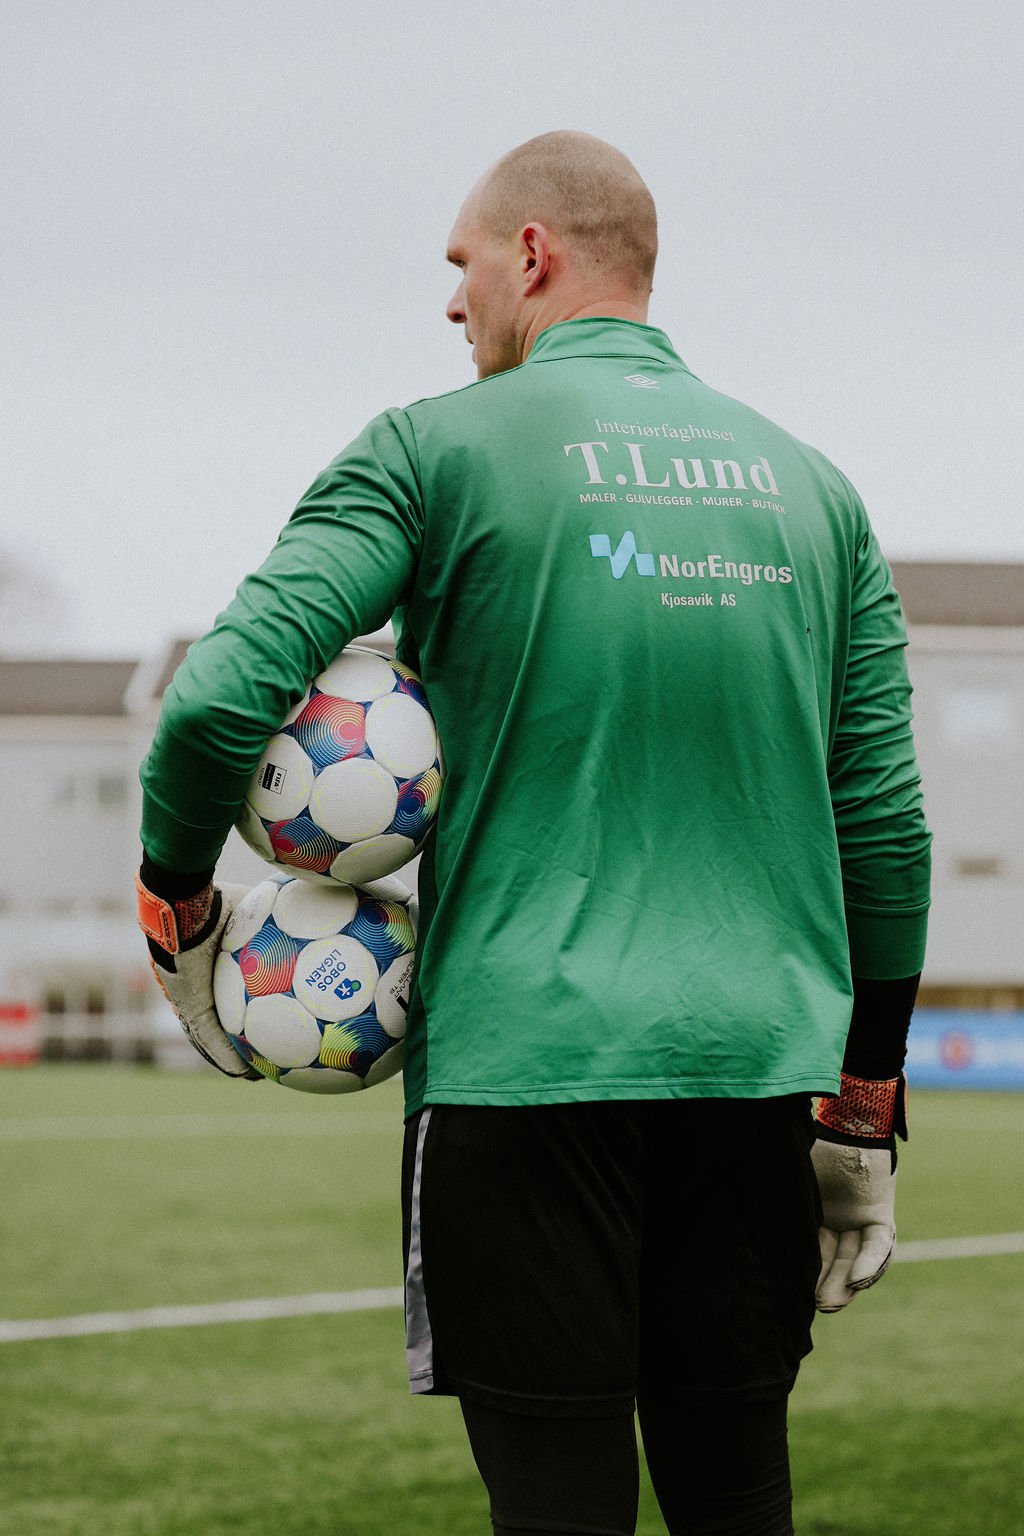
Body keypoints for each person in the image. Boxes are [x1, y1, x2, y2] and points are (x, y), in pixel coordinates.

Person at [136, 131, 931, 1536]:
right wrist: (865, 1102)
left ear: (533, 256)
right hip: (754, 1080)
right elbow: (883, 824)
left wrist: (177, 904)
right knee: (736, 1499)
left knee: (557, 1514)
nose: (453, 303)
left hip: (524, 1075)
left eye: (461, 264)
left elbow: (212, 703)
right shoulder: (817, 491)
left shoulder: (430, 447)